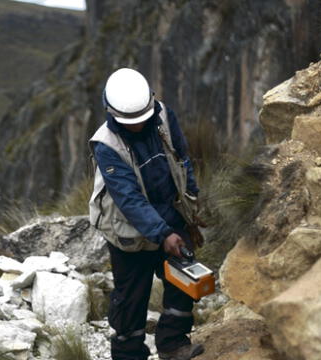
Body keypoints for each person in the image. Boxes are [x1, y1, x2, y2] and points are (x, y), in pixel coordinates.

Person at [88, 68, 204, 360]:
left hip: (171, 213)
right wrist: (163, 233)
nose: (137, 126)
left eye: (141, 119)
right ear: (110, 111)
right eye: (130, 122)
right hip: (128, 230)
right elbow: (129, 199)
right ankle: (129, 354)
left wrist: (191, 210)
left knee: (183, 281)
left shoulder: (164, 116)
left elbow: (182, 159)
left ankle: (173, 344)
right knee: (130, 299)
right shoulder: (106, 145)